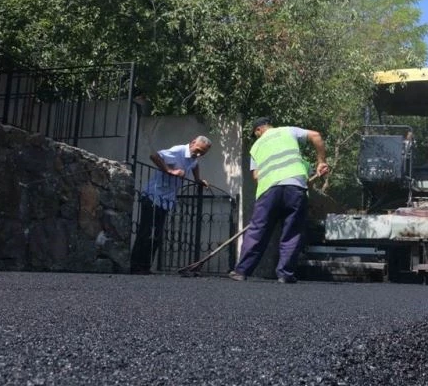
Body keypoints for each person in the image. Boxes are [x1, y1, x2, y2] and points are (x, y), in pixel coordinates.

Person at [229, 116, 328, 283]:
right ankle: (285, 274)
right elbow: (316, 136)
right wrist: (321, 162)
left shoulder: (256, 146)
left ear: (258, 130)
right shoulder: (288, 131)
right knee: (292, 231)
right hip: (295, 187)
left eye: (256, 134)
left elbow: (256, 176)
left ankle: (241, 271)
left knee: (257, 230)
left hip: (268, 190)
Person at [130, 136, 212, 274]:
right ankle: (135, 266)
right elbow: (155, 156)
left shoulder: (193, 158)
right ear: (192, 143)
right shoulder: (178, 150)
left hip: (166, 200)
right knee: (146, 232)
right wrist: (169, 170)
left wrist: (198, 179)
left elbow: (195, 164)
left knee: (156, 235)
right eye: (198, 150)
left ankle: (145, 267)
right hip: (153, 196)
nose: (198, 155)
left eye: (202, 154)